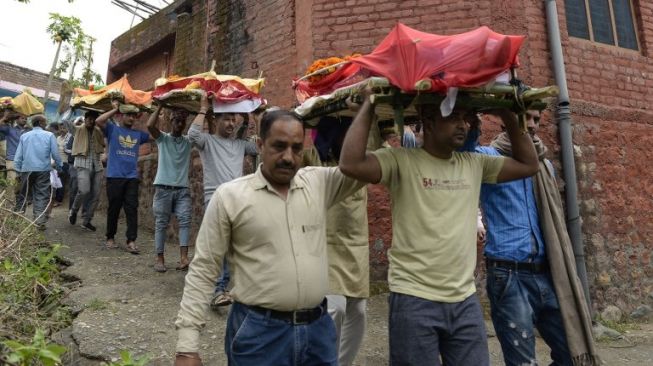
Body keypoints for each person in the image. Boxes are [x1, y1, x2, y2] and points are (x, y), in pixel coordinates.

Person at [338, 87, 540, 366]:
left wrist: (507, 112)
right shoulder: (401, 161)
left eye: (465, 117)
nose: (463, 125)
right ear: (428, 120)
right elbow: (350, 163)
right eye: (453, 117)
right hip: (414, 298)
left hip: (465, 299)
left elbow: (529, 165)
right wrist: (368, 106)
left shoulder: (475, 163)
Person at [174, 110, 365, 366]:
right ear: (260, 145)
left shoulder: (318, 184)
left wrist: (368, 105)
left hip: (319, 332)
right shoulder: (230, 197)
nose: (288, 157)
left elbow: (357, 165)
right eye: (279, 146)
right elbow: (204, 269)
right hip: (260, 335)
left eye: (297, 148)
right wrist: (187, 347)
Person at [477, 110, 599, 366]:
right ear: (504, 119)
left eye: (536, 119)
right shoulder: (487, 158)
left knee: (572, 353)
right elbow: (459, 157)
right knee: (522, 362)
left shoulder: (544, 165)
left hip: (547, 273)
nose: (531, 125)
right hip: (508, 275)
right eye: (525, 118)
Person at [188, 93, 257, 307]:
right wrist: (203, 108)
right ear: (216, 120)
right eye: (226, 118)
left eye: (234, 118)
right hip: (215, 200)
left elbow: (260, 147)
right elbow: (192, 135)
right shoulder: (208, 141)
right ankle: (217, 289)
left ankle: (225, 287)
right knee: (219, 246)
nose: (231, 122)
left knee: (236, 246)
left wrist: (255, 116)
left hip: (239, 201)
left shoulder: (240, 145)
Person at [95, 101, 150, 253]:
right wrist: (114, 109)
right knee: (114, 209)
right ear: (121, 116)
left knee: (132, 209)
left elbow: (153, 134)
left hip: (131, 177)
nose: (131, 118)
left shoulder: (138, 135)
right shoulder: (113, 130)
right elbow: (99, 121)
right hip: (114, 176)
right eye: (128, 115)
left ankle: (131, 240)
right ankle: (110, 237)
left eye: (134, 115)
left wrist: (155, 112)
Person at [147, 105, 192, 273]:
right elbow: (150, 126)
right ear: (171, 121)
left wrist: (206, 113)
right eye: (176, 120)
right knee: (161, 224)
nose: (179, 124)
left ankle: (183, 258)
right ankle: (159, 258)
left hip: (182, 190)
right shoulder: (163, 139)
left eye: (182, 121)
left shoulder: (188, 141)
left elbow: (204, 134)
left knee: (185, 220)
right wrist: (160, 106)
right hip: (163, 189)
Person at [13, 114, 63, 229]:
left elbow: (18, 155)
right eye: (45, 122)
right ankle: (39, 221)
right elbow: (55, 154)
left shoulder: (24, 136)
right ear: (40, 123)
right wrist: (59, 166)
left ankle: (17, 219)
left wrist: (18, 170)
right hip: (43, 170)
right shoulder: (50, 135)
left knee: (23, 194)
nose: (46, 124)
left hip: (27, 169)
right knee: (41, 194)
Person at [65, 110, 105, 232]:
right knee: (84, 190)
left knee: (96, 195)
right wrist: (72, 109)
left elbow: (112, 127)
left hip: (97, 166)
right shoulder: (77, 130)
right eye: (89, 119)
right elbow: (64, 121)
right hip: (82, 165)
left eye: (93, 119)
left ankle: (87, 220)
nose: (91, 121)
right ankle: (74, 210)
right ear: (85, 119)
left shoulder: (99, 131)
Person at [0, 109, 30, 182]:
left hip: (24, 160)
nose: (24, 120)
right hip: (12, 159)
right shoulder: (10, 129)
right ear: (16, 120)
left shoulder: (28, 131)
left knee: (21, 182)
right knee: (11, 180)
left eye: (26, 119)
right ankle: (9, 194)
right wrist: (4, 117)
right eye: (22, 118)